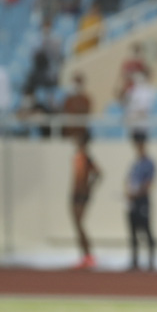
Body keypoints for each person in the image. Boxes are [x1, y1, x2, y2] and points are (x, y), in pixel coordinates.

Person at [125, 133, 157, 271]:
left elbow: (148, 184)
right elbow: (129, 180)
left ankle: (151, 262)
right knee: (132, 231)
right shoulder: (135, 163)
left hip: (142, 200)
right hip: (132, 200)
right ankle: (134, 261)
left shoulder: (149, 163)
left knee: (146, 229)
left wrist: (136, 194)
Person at [70, 131, 102, 269]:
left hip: (82, 195)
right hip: (75, 193)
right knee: (77, 225)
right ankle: (84, 255)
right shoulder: (78, 157)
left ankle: (88, 255)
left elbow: (99, 173)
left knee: (80, 224)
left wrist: (89, 187)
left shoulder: (87, 158)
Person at [62, 72, 92, 139]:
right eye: (75, 82)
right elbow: (66, 113)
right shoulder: (68, 100)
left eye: (78, 82)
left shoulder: (86, 100)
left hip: (82, 131)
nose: (76, 85)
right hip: (70, 131)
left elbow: (86, 114)